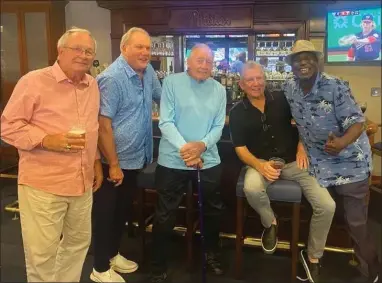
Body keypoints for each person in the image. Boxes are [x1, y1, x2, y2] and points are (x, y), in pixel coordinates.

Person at [1, 27, 102, 282]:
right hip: (44, 185)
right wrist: (46, 140)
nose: (84, 55)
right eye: (77, 49)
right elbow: (8, 126)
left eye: (89, 51)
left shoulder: (92, 85)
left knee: (78, 244)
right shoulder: (33, 81)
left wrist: (96, 161)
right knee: (42, 254)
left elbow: (93, 128)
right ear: (61, 51)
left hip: (82, 183)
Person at [229, 61, 336, 283]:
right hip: (260, 163)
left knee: (327, 205)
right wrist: (260, 165)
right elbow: (240, 149)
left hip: (292, 162)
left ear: (264, 78)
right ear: (241, 84)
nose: (256, 83)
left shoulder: (282, 98)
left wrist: (301, 147)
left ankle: (313, 257)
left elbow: (304, 123)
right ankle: (271, 223)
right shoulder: (237, 112)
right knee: (251, 187)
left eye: (259, 78)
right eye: (250, 80)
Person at [284, 40, 380, 283]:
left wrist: (341, 143)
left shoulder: (335, 86)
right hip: (318, 164)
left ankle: (371, 272)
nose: (302, 62)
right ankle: (316, 260)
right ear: (292, 65)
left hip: (350, 163)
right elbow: (295, 122)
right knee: (326, 212)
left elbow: (358, 122)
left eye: (308, 57)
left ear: (317, 62)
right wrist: (300, 144)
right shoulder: (290, 88)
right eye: (297, 59)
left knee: (355, 222)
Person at [150, 44, 226, 283]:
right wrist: (187, 149)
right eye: (200, 60)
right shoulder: (172, 82)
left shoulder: (219, 89)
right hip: (174, 159)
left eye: (209, 62)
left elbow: (218, 126)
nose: (205, 66)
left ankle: (211, 255)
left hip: (208, 159)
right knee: (165, 214)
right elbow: (166, 122)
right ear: (189, 61)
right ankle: (158, 263)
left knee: (213, 211)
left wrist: (201, 146)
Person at [90, 27, 161, 283]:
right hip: (113, 161)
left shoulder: (148, 71)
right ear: (124, 48)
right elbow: (103, 125)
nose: (145, 52)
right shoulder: (112, 78)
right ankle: (98, 268)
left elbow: (163, 98)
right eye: (138, 47)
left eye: (148, 48)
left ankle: (111, 254)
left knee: (121, 212)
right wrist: (114, 165)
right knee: (106, 214)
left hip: (136, 158)